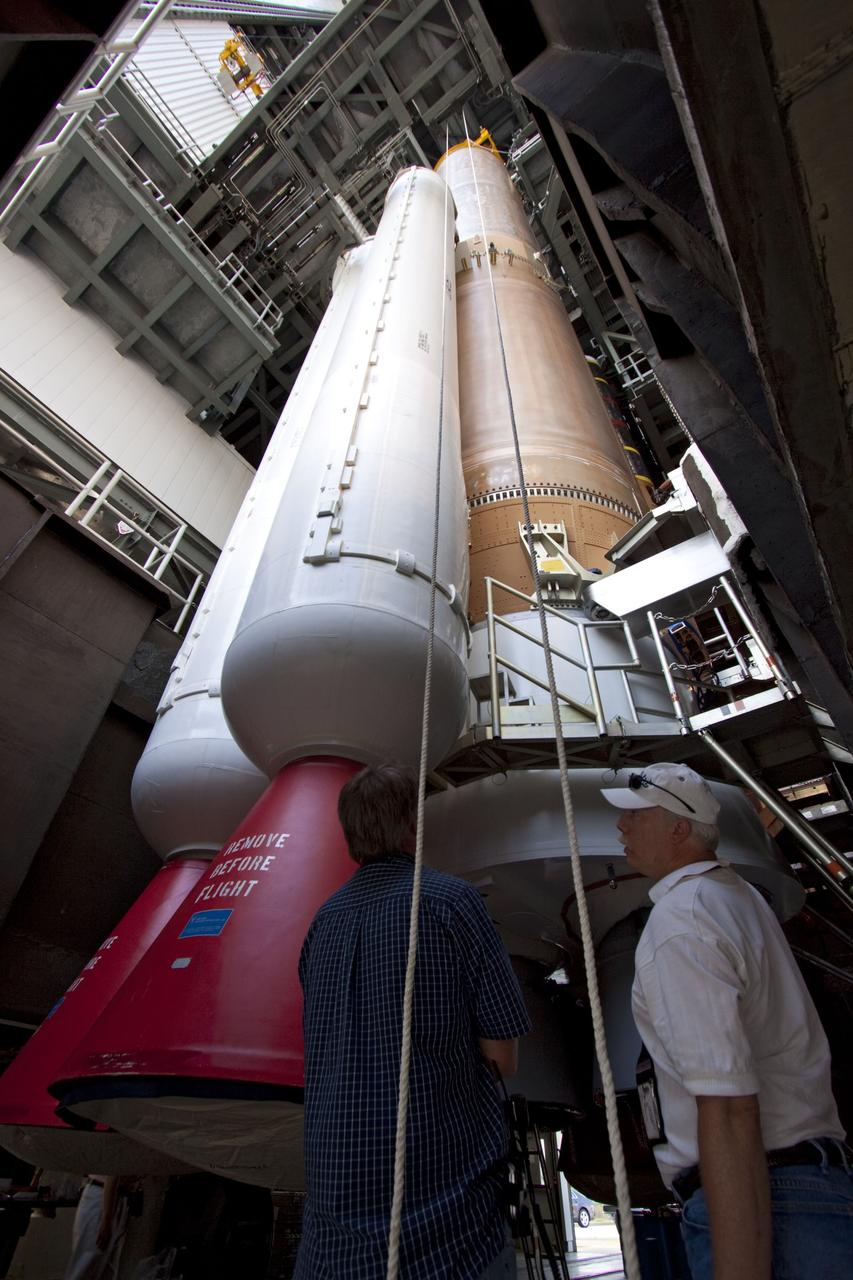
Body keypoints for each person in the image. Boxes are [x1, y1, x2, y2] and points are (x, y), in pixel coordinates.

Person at [601, 762, 852, 1280]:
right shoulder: (740, 900)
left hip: (765, 1200)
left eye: (635, 817)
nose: (621, 828)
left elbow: (731, 1108)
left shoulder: (682, 923)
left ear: (678, 828)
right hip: (809, 1187)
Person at [294, 764, 531, 1280]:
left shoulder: (321, 925)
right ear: (412, 825)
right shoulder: (452, 903)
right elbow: (502, 1058)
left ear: (349, 835)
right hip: (447, 1226)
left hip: (331, 1234)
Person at [64, 1175, 130, 1280]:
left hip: (113, 1197)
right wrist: (106, 1220)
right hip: (102, 1197)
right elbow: (112, 1174)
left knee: (103, 1266)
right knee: (87, 1263)